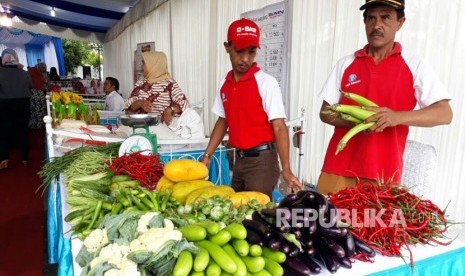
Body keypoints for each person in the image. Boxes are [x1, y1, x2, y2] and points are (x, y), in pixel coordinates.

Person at [316, 0, 453, 195]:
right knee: (327, 222)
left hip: (383, 176)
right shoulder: (346, 63)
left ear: (400, 22)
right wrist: (357, 122)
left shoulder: (414, 65)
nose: (377, 25)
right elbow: (324, 112)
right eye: (371, 18)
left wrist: (395, 117)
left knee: (375, 222)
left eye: (386, 17)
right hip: (337, 167)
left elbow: (444, 113)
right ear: (364, 23)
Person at [201, 18, 303, 198]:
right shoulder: (225, 85)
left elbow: (279, 126)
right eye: (239, 51)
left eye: (252, 51)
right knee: (237, 212)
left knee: (256, 216)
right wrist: (207, 156)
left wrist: (286, 169)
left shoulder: (266, 83)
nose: (245, 59)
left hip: (261, 162)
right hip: (237, 160)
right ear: (227, 47)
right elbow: (222, 120)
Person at [124, 51, 189, 125]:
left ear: (154, 65)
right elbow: (129, 106)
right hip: (141, 126)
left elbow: (184, 104)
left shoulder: (170, 84)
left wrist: (170, 110)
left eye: (144, 63)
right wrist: (139, 103)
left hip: (164, 128)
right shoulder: (140, 83)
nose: (141, 66)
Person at [0, 49, 33, 170]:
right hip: (23, 104)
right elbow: (31, 86)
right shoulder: (24, 73)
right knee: (23, 132)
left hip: (5, 105)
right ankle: (24, 159)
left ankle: (4, 159)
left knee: (4, 133)